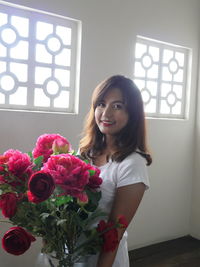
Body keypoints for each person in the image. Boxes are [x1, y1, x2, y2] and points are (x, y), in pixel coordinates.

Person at [79, 75, 152, 267]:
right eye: (101, 104)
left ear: (132, 114)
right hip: (71, 251)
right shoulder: (86, 152)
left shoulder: (133, 163)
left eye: (118, 106)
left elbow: (114, 235)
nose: (106, 113)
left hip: (101, 258)